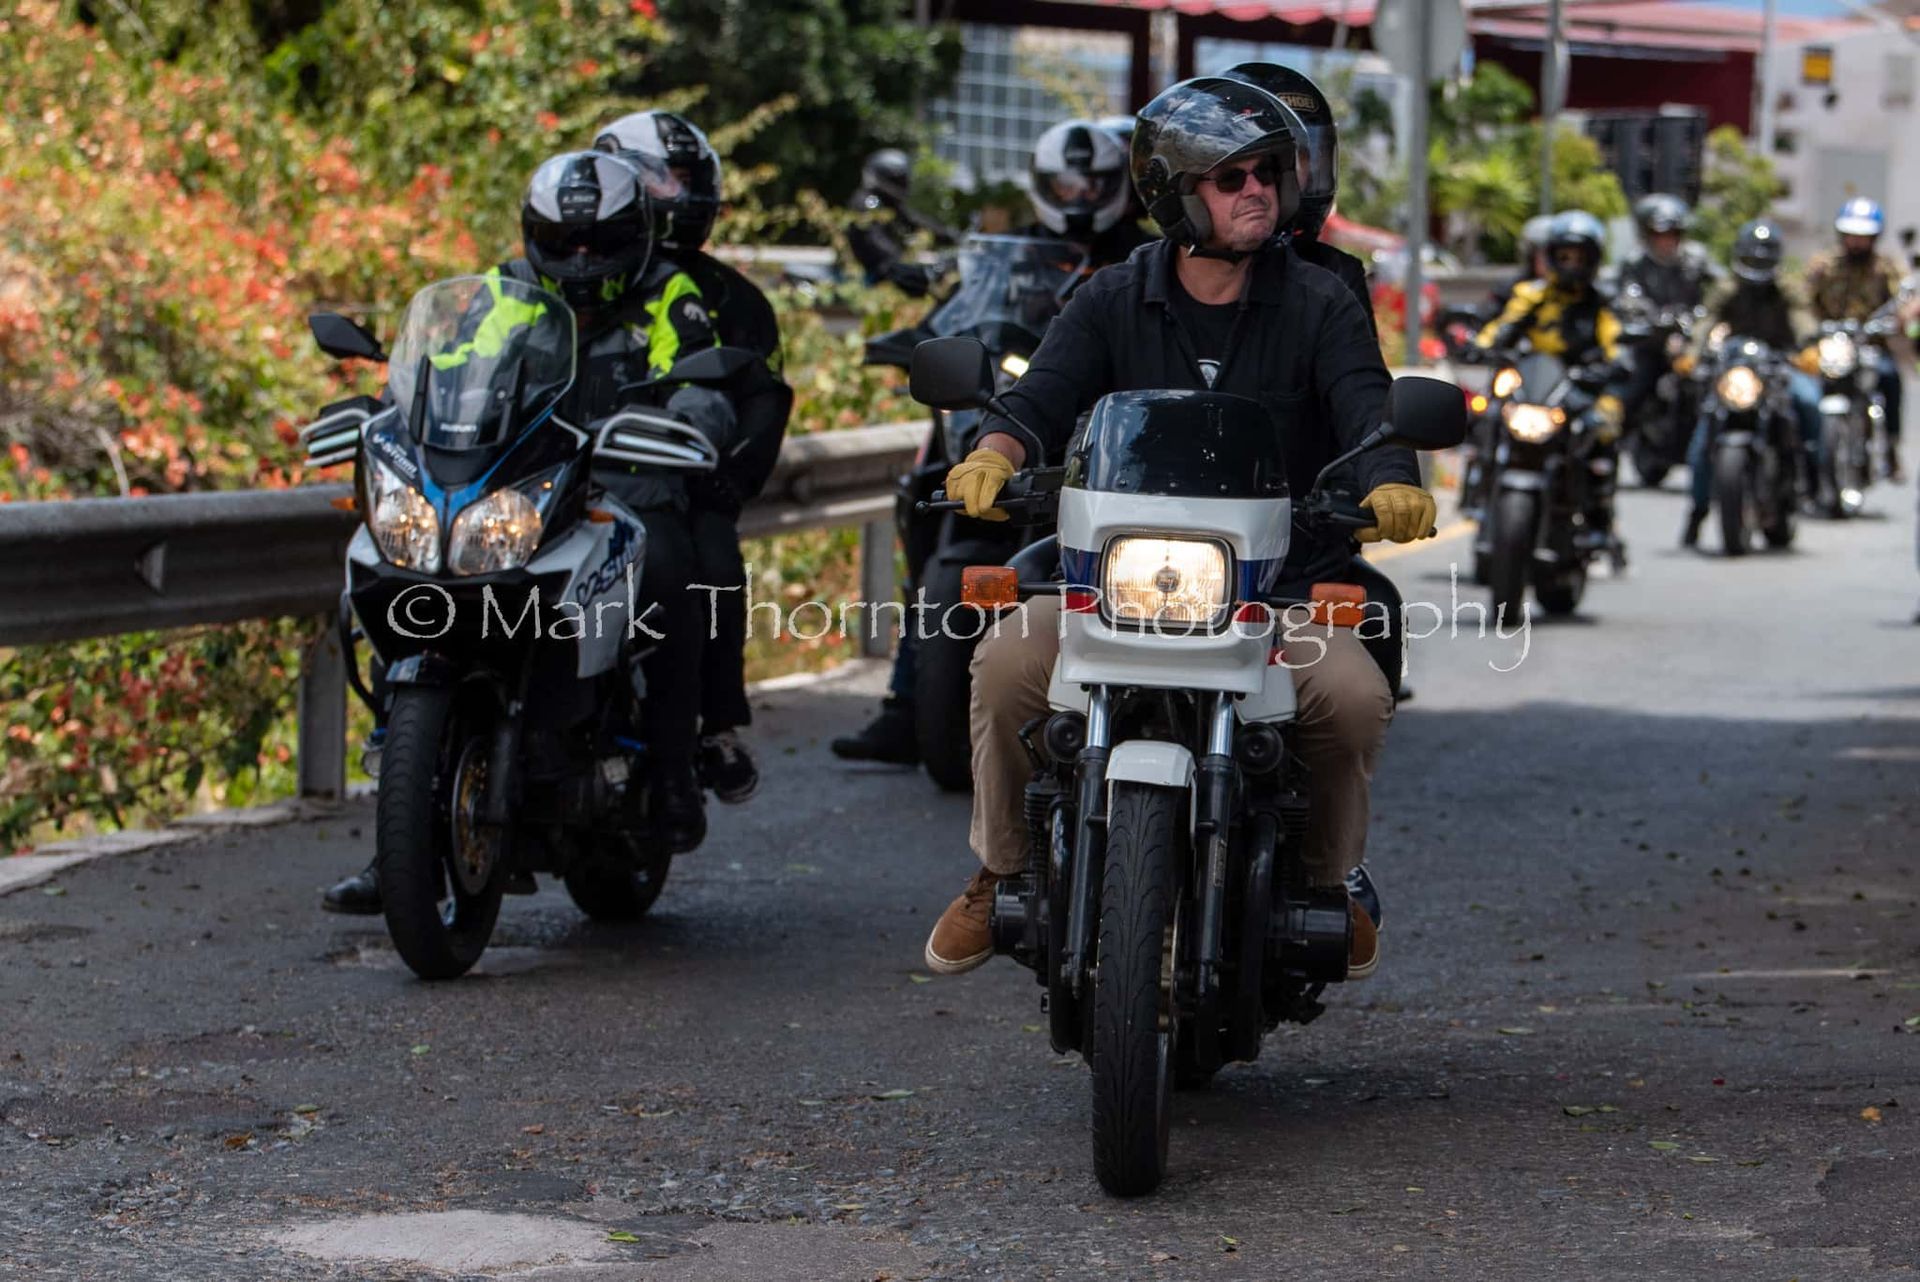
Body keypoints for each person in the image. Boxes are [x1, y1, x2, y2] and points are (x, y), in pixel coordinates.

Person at [920, 76, 1437, 980]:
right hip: (1111, 587)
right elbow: (1036, 397)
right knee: (1005, 660)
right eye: (1230, 177)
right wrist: (994, 452)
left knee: (1352, 694)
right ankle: (1000, 867)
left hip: (1274, 597)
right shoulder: (1113, 295)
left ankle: (1328, 877)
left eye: (1269, 174)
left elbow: (1365, 405)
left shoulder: (1320, 301)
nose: (1258, 193)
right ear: (1172, 190)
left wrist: (1391, 477)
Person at [322, 151, 728, 913]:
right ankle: (398, 842)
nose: (578, 258)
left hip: (622, 479)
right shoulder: (510, 291)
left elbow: (700, 384)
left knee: (671, 575)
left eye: (597, 241)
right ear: (533, 233)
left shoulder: (667, 295)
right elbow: (454, 363)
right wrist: (400, 401)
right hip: (519, 480)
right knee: (411, 581)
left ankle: (673, 771)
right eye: (561, 240)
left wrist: (687, 413)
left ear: (634, 235)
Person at [830, 121, 1154, 766]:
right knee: (929, 501)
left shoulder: (1144, 255)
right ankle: (907, 702)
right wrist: (919, 338)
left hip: (1106, 426)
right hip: (1022, 408)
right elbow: (962, 304)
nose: (1080, 193)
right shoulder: (1011, 249)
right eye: (1067, 181)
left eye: (1094, 181)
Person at [594, 109, 797, 805]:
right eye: (663, 177)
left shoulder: (724, 297)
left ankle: (706, 732)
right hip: (549, 478)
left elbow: (759, 397)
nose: (679, 192)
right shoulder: (558, 276)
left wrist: (724, 478)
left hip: (673, 485)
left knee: (706, 564)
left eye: (687, 178)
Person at [1473, 210, 1629, 555]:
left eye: (1580, 257)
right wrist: (1479, 347)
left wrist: (1616, 364)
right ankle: (1480, 494)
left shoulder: (1601, 302)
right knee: (1486, 414)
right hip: (1533, 385)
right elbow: (1500, 328)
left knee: (1604, 425)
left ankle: (1599, 516)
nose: (1571, 264)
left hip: (1580, 389)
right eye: (1564, 256)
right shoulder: (1532, 294)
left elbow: (1615, 344)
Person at [1681, 219, 1823, 548]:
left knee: (1808, 403)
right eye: (1752, 258)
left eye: (1763, 259)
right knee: (1704, 436)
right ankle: (1697, 511)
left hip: (1780, 365)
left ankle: (1814, 482)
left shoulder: (1786, 288)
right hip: (1737, 370)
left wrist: (1809, 348)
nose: (1757, 266)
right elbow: (1707, 320)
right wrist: (1692, 352)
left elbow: (1802, 317)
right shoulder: (1728, 288)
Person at [1223, 62, 1376, 334]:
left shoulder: (1336, 275)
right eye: (1278, 160)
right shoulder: (1169, 274)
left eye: (1304, 159)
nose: (1294, 174)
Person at [1804, 197, 1906, 480]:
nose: (1856, 243)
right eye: (1851, 235)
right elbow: (1802, 300)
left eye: (1863, 237)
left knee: (1890, 378)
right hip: (1829, 343)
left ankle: (1892, 448)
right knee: (1800, 384)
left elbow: (1904, 301)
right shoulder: (1823, 265)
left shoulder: (1885, 268)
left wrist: (1898, 320)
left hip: (1870, 344)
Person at [1616, 193, 1720, 420]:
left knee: (1717, 390)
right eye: (1660, 235)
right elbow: (1628, 297)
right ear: (1647, 235)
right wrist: (1651, 316)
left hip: (1692, 343)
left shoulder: (1697, 258)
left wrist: (1708, 316)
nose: (1667, 241)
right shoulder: (1635, 263)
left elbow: (1721, 288)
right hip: (1650, 343)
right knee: (1632, 390)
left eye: (1673, 234)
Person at [846, 148, 958, 297]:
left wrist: (951, 235)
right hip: (873, 276)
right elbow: (876, 241)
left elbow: (914, 221)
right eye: (900, 179)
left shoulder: (887, 202)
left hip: (889, 269)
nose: (905, 184)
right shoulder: (867, 203)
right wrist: (901, 261)